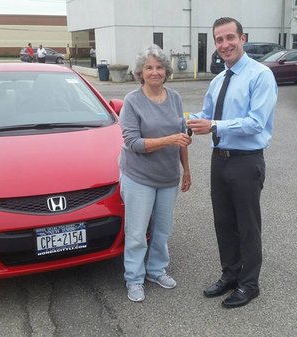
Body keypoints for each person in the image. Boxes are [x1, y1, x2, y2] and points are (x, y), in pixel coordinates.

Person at [188, 17, 277, 309]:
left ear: (243, 37)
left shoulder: (260, 75)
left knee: (247, 225)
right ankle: (230, 275)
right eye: (219, 40)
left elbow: (255, 123)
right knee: (224, 223)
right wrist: (180, 119)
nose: (225, 45)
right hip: (220, 160)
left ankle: (250, 284)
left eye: (230, 38)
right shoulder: (218, 80)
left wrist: (214, 126)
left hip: (246, 161)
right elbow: (205, 114)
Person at [119, 44, 192, 303]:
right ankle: (134, 278)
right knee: (137, 233)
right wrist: (169, 139)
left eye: (159, 67)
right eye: (149, 67)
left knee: (163, 230)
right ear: (140, 72)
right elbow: (133, 143)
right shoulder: (132, 101)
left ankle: (156, 270)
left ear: (166, 71)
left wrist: (186, 170)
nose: (154, 72)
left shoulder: (175, 98)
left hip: (168, 177)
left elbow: (182, 137)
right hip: (139, 177)